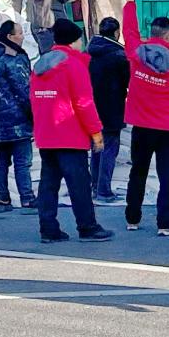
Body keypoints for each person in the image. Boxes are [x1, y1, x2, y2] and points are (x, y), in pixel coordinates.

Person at [31, 18, 113, 243]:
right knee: (79, 184)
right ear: (75, 41)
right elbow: (84, 102)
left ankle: (48, 229)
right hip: (70, 134)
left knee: (48, 184)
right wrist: (96, 133)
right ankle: (87, 226)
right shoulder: (74, 65)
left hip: (47, 135)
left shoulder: (41, 65)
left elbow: (34, 101)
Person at [121, 1, 169, 237]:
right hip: (168, 127)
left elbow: (129, 31)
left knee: (138, 172)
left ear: (151, 32)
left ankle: (132, 218)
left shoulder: (135, 51)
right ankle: (164, 223)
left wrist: (131, 3)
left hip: (141, 125)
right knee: (168, 175)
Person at [0, 20, 36, 213]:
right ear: (10, 37)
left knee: (2, 159)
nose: (22, 37)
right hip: (18, 118)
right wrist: (34, 114)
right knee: (23, 161)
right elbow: (24, 89)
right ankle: (27, 197)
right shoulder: (13, 58)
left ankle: (2, 198)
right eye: (20, 33)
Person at [87, 17, 129, 203]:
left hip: (92, 110)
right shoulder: (119, 56)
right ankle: (104, 190)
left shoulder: (89, 53)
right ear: (116, 32)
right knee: (109, 150)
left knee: (97, 148)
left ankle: (95, 186)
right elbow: (128, 82)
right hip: (112, 111)